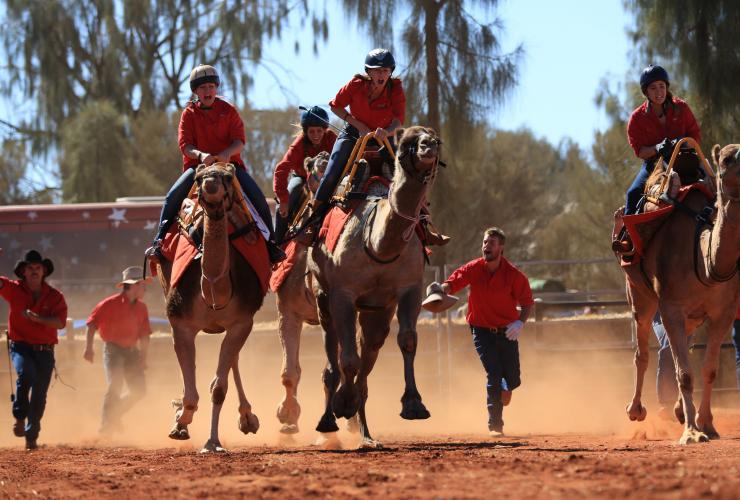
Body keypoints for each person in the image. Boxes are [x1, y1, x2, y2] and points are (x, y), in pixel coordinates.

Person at [147, 64, 285, 263]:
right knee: (171, 197)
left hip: (230, 168)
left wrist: (226, 154)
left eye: (211, 86)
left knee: (258, 199)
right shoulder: (189, 114)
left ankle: (272, 244)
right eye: (203, 88)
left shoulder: (228, 110)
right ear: (195, 91)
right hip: (198, 168)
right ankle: (158, 243)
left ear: (216, 88)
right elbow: (185, 145)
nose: (208, 91)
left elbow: (239, 141)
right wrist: (201, 155)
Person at [425, 227, 533, 436]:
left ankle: (507, 385)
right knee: (493, 374)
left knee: (513, 379)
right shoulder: (474, 268)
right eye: (485, 242)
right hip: (481, 331)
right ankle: (495, 425)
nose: (486, 246)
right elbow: (454, 281)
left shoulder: (514, 275)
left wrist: (520, 323)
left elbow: (528, 303)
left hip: (507, 331)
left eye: (491, 243)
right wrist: (440, 289)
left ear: (501, 248)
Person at [309, 48, 405, 225]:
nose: (381, 74)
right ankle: (313, 220)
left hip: (383, 135)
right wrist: (358, 125)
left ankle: (422, 222)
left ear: (390, 71)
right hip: (354, 133)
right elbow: (335, 106)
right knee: (331, 173)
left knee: (407, 172)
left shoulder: (395, 88)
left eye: (385, 70)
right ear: (368, 72)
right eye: (377, 70)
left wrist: (387, 131)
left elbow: (399, 119)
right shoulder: (356, 84)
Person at [0, 250, 67, 450]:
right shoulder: (13, 289)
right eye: (30, 267)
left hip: (45, 350)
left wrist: (38, 319)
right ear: (23, 272)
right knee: (26, 374)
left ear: (44, 271)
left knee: (40, 393)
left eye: (38, 267)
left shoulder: (55, 296)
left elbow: (60, 323)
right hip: (21, 346)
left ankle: (32, 435)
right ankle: (20, 416)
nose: (34, 271)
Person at [623, 64, 701, 216]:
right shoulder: (636, 118)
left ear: (667, 87)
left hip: (684, 158)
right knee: (632, 193)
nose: (659, 92)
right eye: (653, 88)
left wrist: (682, 142)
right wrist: (657, 148)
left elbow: (695, 135)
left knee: (716, 180)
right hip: (654, 165)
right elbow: (639, 151)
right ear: (646, 91)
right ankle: (628, 237)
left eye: (662, 86)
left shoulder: (681, 107)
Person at [83, 266, 152, 434]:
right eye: (143, 285)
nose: (145, 288)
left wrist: (143, 357)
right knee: (115, 385)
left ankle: (113, 416)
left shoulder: (142, 308)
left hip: (131, 351)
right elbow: (92, 325)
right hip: (113, 350)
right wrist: (88, 348)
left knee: (139, 390)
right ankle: (106, 426)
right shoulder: (109, 304)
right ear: (134, 285)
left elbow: (144, 335)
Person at [273, 106, 337, 244]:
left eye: (319, 131)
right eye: (311, 131)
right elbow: (281, 169)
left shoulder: (332, 138)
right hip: (301, 179)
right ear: (305, 132)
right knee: (286, 202)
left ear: (325, 130)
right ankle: (277, 245)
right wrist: (283, 200)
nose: (315, 135)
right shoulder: (299, 144)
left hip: (329, 179)